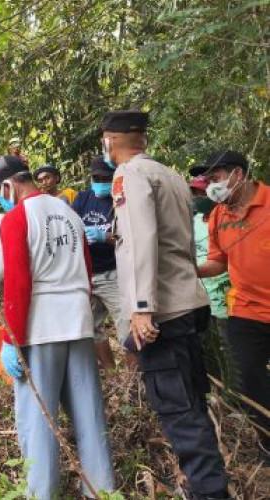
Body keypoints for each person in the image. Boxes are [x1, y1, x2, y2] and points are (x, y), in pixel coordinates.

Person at [103, 110, 229, 500]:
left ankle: (210, 493)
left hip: (161, 313)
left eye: (104, 141)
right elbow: (179, 243)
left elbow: (140, 238)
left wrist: (141, 307)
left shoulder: (130, 175)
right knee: (192, 403)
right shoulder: (170, 174)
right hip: (188, 303)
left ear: (111, 140)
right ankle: (205, 486)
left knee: (180, 413)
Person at [0, 155, 115, 499]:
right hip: (78, 323)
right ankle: (101, 491)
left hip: (40, 330)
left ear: (8, 186)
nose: (0, 200)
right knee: (89, 415)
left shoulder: (17, 218)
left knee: (38, 419)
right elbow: (87, 274)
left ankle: (42, 493)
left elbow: (17, 284)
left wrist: (10, 338)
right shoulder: (71, 213)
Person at [196, 150, 269, 461]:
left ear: (237, 174)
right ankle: (267, 442)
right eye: (209, 181)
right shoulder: (218, 216)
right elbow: (217, 262)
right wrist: (188, 267)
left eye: (216, 179)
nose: (212, 187)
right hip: (245, 310)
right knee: (250, 381)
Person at [72, 156, 129, 371]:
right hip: (87, 274)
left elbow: (131, 237)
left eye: (105, 178)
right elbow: (72, 228)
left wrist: (105, 237)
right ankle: (111, 372)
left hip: (114, 274)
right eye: (96, 177)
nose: (100, 182)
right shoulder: (83, 199)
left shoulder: (121, 201)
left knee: (128, 330)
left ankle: (133, 381)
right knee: (90, 328)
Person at [188, 171, 232, 379]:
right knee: (209, 351)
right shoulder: (194, 221)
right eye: (194, 193)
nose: (198, 198)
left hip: (228, 298)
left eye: (202, 193)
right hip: (202, 299)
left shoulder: (227, 219)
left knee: (232, 352)